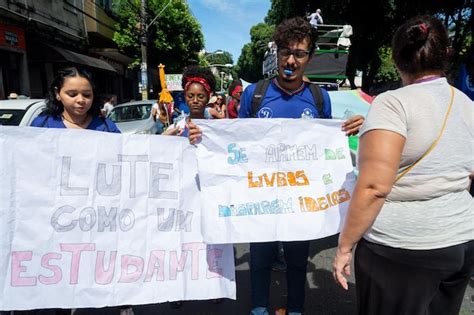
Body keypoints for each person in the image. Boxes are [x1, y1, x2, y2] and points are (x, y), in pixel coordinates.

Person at [190, 17, 363, 315]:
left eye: (299, 54)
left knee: (297, 265)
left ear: (309, 57)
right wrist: (204, 136)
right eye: (285, 52)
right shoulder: (253, 95)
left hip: (300, 203)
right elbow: (236, 144)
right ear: (276, 53)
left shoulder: (320, 99)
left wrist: (350, 129)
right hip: (261, 200)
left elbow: (326, 146)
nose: (291, 61)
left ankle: (295, 310)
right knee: (259, 263)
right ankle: (258, 310)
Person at [333, 15, 473, 315]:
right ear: (445, 53)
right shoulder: (466, 103)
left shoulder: (392, 103)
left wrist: (345, 246)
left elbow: (374, 187)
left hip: (401, 248)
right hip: (460, 240)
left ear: (397, 58)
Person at [31, 67, 120, 133]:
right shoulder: (41, 126)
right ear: (57, 93)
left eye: (87, 95)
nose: (81, 100)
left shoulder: (107, 128)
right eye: (72, 95)